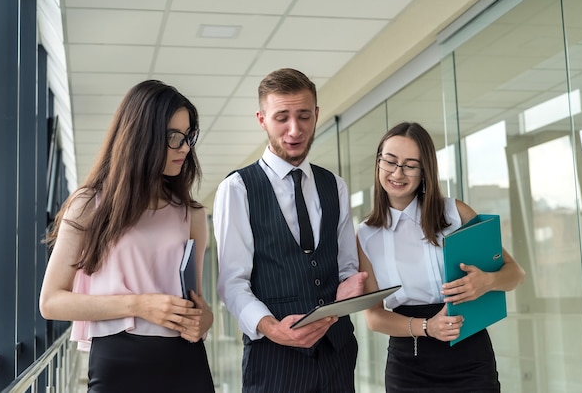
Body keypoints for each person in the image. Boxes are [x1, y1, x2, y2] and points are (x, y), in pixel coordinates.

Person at [39, 80, 215, 392]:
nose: (185, 148)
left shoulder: (193, 214)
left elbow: (195, 303)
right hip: (118, 361)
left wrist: (205, 319)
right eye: (175, 137)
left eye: (188, 137)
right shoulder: (89, 205)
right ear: (141, 137)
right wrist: (137, 305)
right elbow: (51, 302)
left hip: (186, 361)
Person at [213, 68, 368, 393]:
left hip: (337, 355)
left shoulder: (334, 186)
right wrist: (272, 328)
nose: (294, 129)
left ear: (316, 115)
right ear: (262, 119)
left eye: (303, 116)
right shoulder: (238, 188)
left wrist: (348, 286)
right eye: (282, 117)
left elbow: (345, 266)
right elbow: (232, 283)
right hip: (274, 360)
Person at [356, 121, 525, 392]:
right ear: (378, 163)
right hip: (407, 364)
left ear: (425, 172)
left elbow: (515, 274)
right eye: (390, 161)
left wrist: (487, 281)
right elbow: (374, 317)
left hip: (469, 355)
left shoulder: (454, 213)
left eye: (410, 165)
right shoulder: (365, 235)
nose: (397, 172)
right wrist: (428, 327)